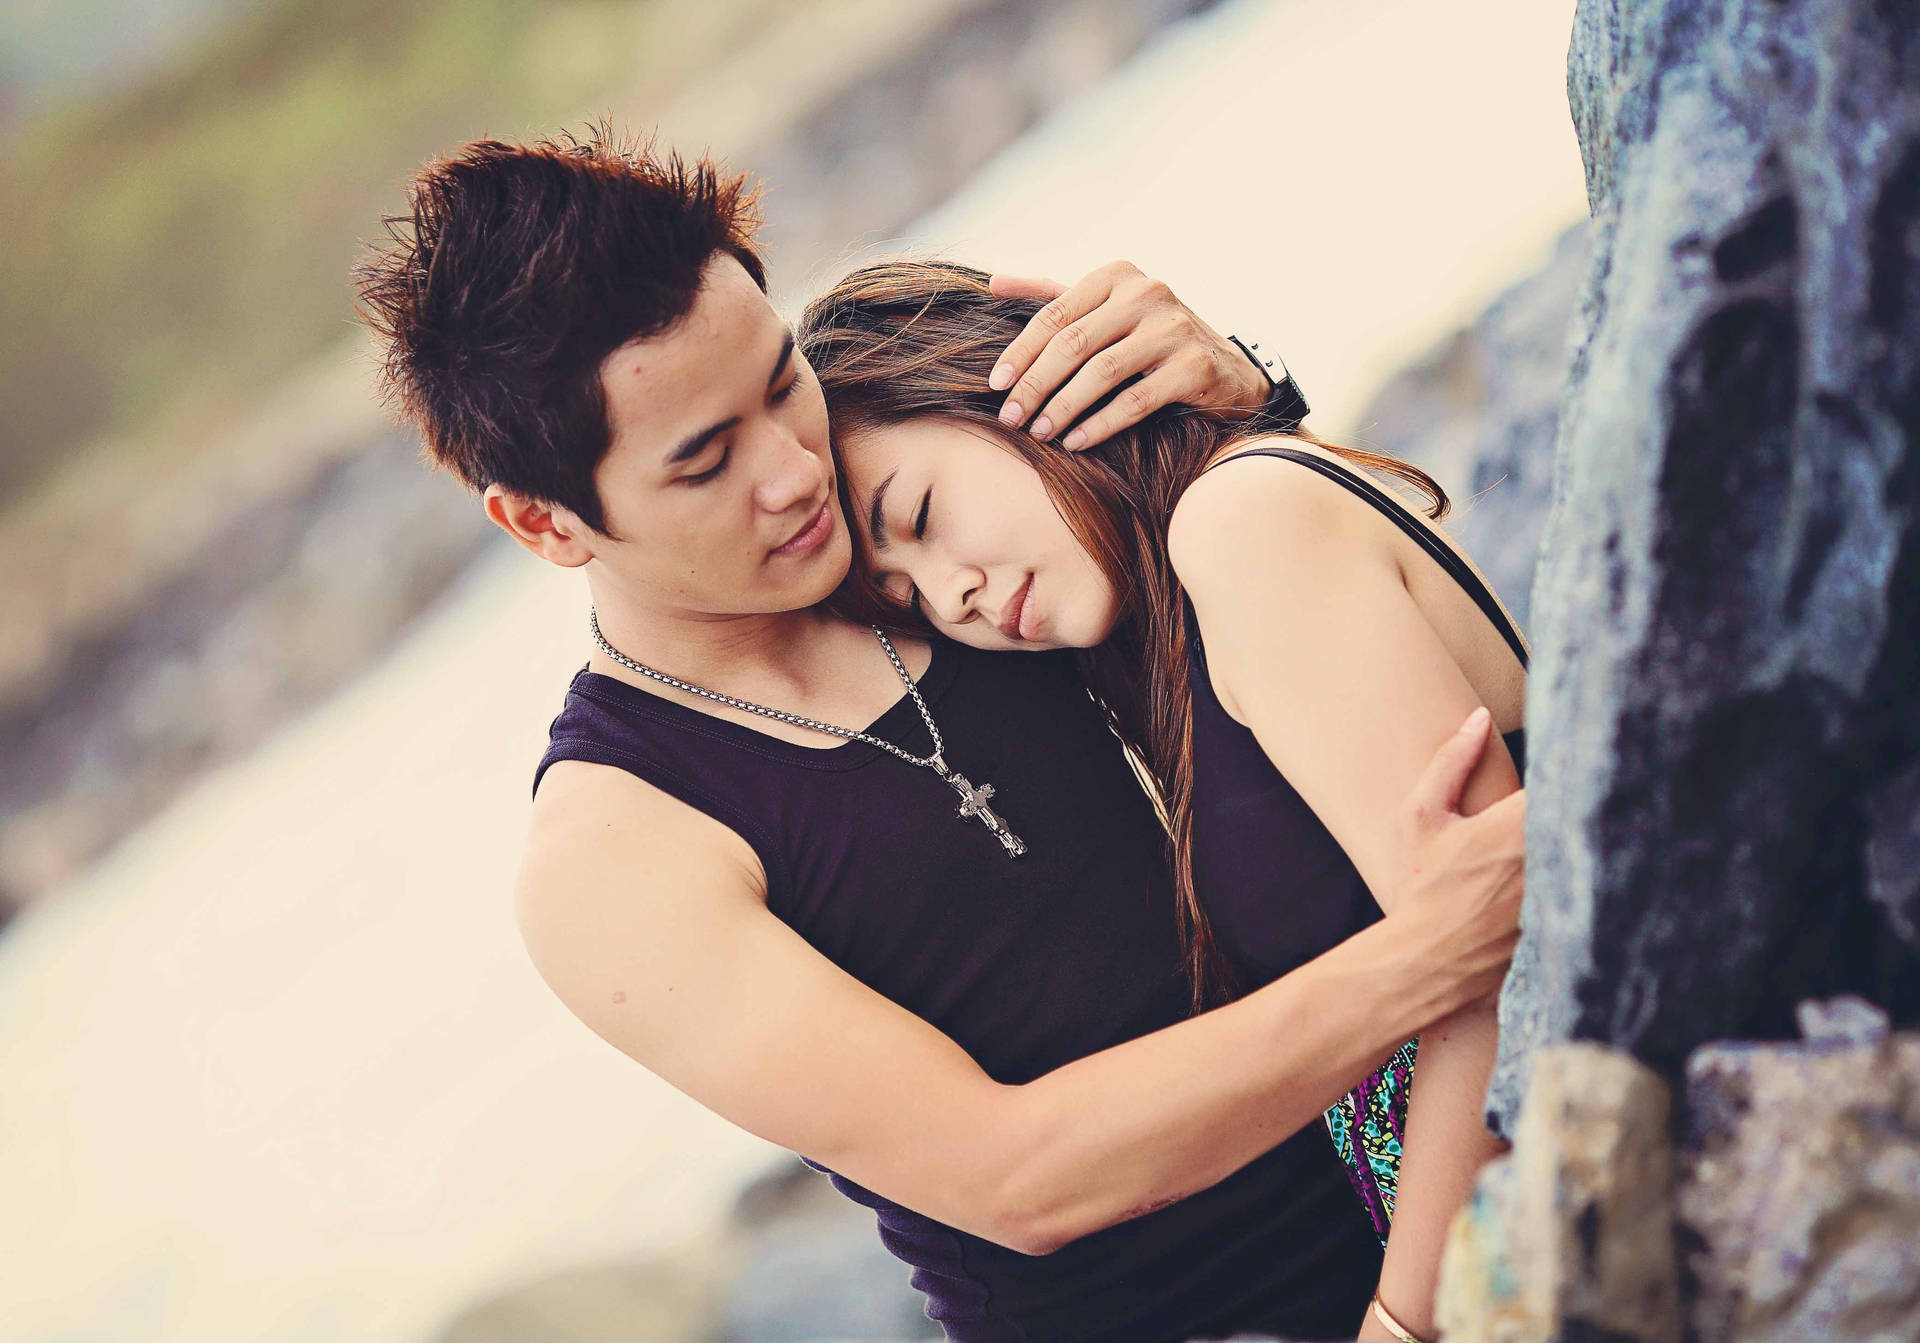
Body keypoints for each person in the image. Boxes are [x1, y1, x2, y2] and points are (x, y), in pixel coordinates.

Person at [352, 126, 1526, 1342]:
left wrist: (1229, 396)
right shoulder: (617, 852)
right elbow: (1020, 1176)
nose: (793, 472)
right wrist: (1429, 955)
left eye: (777, 381)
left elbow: (1267, 621)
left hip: (1418, 1227)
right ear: (545, 525)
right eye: (704, 460)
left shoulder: (929, 524)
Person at [805, 258, 1531, 1342]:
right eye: (903, 594)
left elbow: (1502, 960)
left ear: (1026, 386)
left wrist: (1403, 1319)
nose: (948, 588)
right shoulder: (1178, 614)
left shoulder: (1243, 524)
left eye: (918, 511)